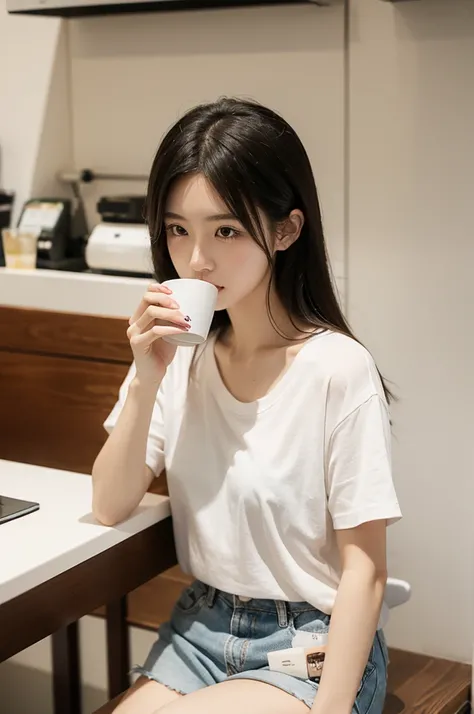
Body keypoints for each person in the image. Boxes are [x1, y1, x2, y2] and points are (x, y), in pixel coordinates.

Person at [92, 97, 402, 714]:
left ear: (286, 230)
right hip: (200, 631)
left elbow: (363, 574)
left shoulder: (337, 369)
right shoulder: (177, 355)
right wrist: (146, 377)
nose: (197, 259)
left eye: (225, 230)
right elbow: (109, 504)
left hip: (313, 642)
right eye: (179, 229)